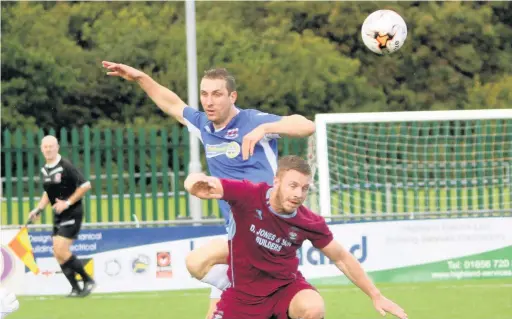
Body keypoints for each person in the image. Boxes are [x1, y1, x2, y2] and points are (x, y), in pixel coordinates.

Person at [102, 61, 315, 317]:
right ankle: (243, 292)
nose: (209, 101)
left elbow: (306, 126)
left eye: (216, 94)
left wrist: (265, 129)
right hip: (238, 237)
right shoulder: (204, 126)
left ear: (232, 96)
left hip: (268, 233)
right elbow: (171, 103)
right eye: (204, 94)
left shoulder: (253, 120)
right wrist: (140, 78)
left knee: (197, 261)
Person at [184, 155, 408, 319]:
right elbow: (206, 183)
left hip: (284, 289)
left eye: (304, 188)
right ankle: (228, 285)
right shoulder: (248, 195)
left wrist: (376, 295)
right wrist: (195, 181)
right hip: (244, 295)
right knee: (195, 262)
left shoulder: (309, 222)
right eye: (293, 185)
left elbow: (342, 258)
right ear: (277, 181)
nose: (298, 194)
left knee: (313, 307)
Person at [28, 135, 95, 297]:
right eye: (45, 147)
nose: (48, 149)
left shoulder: (66, 166)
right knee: (57, 252)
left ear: (57, 147)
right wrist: (38, 209)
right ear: (41, 149)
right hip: (58, 214)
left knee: (60, 249)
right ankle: (76, 288)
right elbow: (47, 192)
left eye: (51, 146)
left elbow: (86, 185)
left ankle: (87, 280)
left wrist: (68, 203)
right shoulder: (45, 169)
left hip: (72, 212)